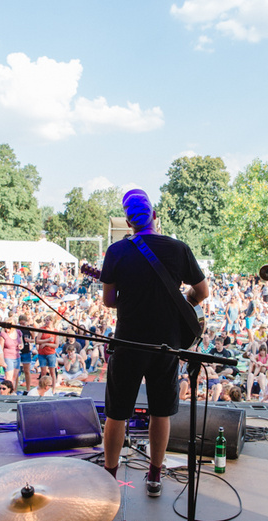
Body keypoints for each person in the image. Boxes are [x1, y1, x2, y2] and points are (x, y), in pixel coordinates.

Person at [100, 188, 208, 498]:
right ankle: (155, 475)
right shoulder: (178, 249)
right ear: (155, 216)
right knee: (161, 411)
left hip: (128, 343)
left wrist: (135, 299)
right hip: (167, 345)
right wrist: (182, 298)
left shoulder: (117, 251)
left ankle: (109, 477)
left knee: (117, 412)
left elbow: (109, 301)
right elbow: (202, 291)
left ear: (127, 222)